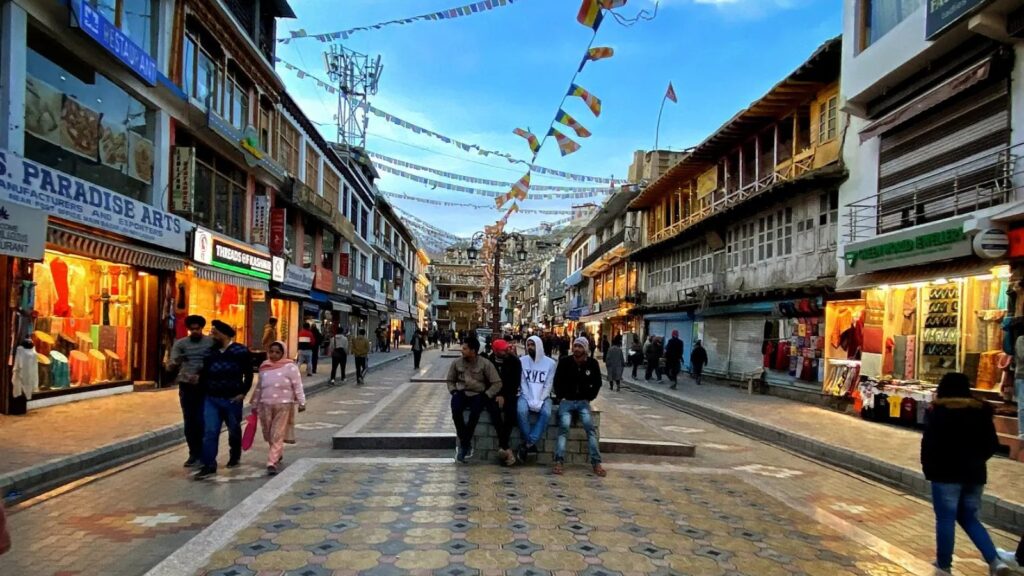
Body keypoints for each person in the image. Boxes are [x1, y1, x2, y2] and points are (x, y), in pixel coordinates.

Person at [921, 372, 1009, 575]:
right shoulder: (980, 412)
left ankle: (944, 564)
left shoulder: (937, 411)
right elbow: (992, 444)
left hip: (944, 474)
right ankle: (995, 561)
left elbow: (929, 444)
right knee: (970, 518)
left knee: (945, 518)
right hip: (974, 475)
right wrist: (976, 461)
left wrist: (929, 468)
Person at [194, 320, 253, 480]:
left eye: (214, 333)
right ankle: (209, 464)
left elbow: (248, 373)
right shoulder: (209, 352)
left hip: (232, 398)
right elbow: (204, 375)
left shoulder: (240, 351)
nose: (211, 335)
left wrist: (243, 393)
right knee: (210, 431)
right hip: (212, 398)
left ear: (224, 334)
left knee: (234, 429)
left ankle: (235, 454)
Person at [251, 341, 306, 475]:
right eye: (271, 352)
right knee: (268, 432)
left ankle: (271, 462)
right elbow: (260, 386)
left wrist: (301, 402)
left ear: (283, 353)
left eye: (278, 352)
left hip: (284, 404)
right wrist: (254, 403)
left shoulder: (290, 367)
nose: (274, 355)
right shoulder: (264, 366)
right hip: (265, 404)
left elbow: (297, 385)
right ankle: (277, 452)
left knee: (277, 432)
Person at [552, 337, 605, 477]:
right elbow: (557, 381)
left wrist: (589, 397)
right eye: (575, 346)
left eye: (580, 347)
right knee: (563, 428)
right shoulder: (565, 362)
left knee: (590, 430)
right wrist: (560, 396)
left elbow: (597, 383)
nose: (577, 349)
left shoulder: (592, 364)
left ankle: (596, 462)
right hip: (567, 401)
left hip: (583, 402)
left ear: (585, 349)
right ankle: (558, 461)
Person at [166, 315, 214, 468]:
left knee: (203, 419)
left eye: (197, 329)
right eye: (192, 329)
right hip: (187, 385)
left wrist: (203, 375)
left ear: (202, 328)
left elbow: (215, 361)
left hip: (205, 385)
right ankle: (193, 453)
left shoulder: (210, 343)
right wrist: (175, 363)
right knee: (190, 420)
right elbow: (171, 364)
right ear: (188, 329)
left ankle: (203, 452)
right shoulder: (180, 344)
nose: (195, 331)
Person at [446, 336, 503, 463]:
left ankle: (465, 445)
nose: (462, 350)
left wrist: (487, 394)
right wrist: (453, 391)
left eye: (465, 348)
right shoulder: (457, 363)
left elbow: (497, 383)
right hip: (461, 392)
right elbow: (450, 380)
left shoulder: (485, 363)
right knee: (456, 410)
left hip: (478, 394)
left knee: (474, 414)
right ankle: (465, 443)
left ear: (473, 350)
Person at [484, 339, 522, 466]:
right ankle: (506, 447)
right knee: (494, 413)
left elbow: (515, 382)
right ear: (495, 351)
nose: (507, 351)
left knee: (511, 413)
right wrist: (497, 394)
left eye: (507, 349)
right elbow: (486, 381)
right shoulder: (489, 362)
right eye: (503, 350)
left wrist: (503, 395)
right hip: (492, 394)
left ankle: (502, 446)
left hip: (509, 394)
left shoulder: (514, 361)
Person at [518, 335, 556, 460]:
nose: (530, 347)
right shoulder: (522, 361)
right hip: (526, 395)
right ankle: (531, 443)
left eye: (532, 345)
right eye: (528, 345)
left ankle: (528, 443)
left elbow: (548, 384)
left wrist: (540, 400)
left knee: (546, 412)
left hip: (543, 396)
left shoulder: (550, 363)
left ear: (538, 346)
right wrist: (529, 399)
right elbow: (523, 382)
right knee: (521, 411)